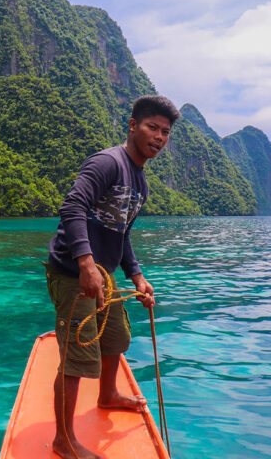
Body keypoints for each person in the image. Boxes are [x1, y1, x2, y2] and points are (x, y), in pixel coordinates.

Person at [45, 94, 180, 459]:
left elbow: (122, 235)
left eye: (165, 132)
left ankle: (107, 395)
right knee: (76, 359)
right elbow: (72, 206)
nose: (159, 137)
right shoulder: (108, 163)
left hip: (103, 275)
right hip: (73, 272)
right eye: (153, 127)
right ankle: (63, 440)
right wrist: (86, 264)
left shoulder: (142, 183)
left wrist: (137, 277)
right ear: (133, 125)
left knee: (116, 339)